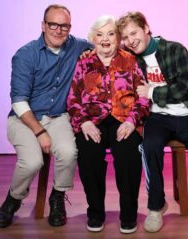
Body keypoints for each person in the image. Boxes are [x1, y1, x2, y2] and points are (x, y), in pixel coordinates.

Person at [116, 11, 188, 233]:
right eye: (125, 37)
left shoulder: (175, 50)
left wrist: (152, 91)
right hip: (157, 118)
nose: (130, 40)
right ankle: (156, 206)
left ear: (146, 28)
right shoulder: (129, 59)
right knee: (149, 147)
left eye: (133, 33)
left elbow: (187, 87)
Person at [0, 4, 92, 228]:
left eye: (64, 26)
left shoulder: (78, 46)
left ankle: (57, 198)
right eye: (53, 24)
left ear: (70, 28)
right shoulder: (25, 54)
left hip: (58, 117)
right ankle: (13, 199)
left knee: (68, 153)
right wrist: (40, 132)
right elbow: (18, 101)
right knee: (32, 162)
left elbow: (106, 45)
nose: (58, 30)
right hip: (25, 119)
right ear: (43, 25)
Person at [67, 15, 149, 234]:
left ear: (118, 38)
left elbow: (143, 97)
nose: (105, 39)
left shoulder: (130, 60)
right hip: (93, 120)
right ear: (93, 38)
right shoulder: (84, 62)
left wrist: (133, 121)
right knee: (89, 154)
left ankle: (129, 214)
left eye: (111, 34)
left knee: (128, 154)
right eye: (100, 34)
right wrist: (83, 122)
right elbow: (73, 99)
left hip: (124, 119)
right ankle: (95, 212)